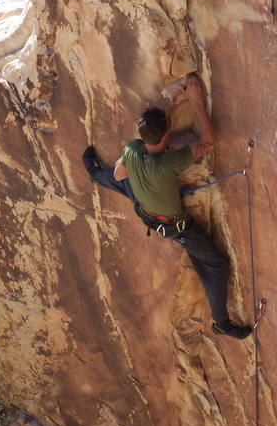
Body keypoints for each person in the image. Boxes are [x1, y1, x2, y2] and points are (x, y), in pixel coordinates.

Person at [82, 75, 252, 339]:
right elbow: (209, 139)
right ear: (167, 135)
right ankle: (221, 323)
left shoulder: (132, 148)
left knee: (121, 183)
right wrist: (196, 100)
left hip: (143, 207)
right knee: (217, 265)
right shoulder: (170, 161)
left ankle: (94, 174)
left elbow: (118, 173)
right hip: (175, 227)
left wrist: (135, 164)